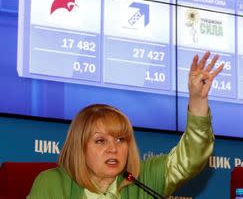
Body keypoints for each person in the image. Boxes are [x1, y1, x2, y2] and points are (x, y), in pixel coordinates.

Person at [27, 51, 223, 198]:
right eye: (100, 141)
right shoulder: (52, 184)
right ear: (80, 147)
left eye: (121, 139)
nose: (113, 149)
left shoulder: (141, 180)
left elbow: (193, 156)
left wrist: (197, 100)